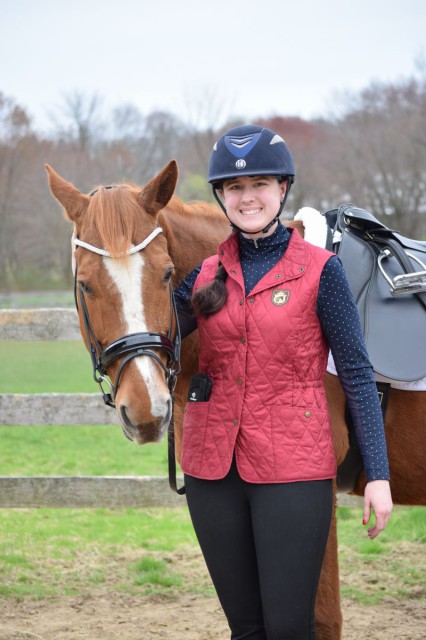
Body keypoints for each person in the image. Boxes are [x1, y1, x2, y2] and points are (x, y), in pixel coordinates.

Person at [174, 124, 393, 640]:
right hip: (212, 472)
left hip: (294, 471)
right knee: (245, 630)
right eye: (234, 188)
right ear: (221, 197)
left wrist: (377, 474)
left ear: (282, 190)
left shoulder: (321, 271)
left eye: (260, 185)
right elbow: (151, 335)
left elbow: (358, 374)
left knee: (289, 628)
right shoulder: (202, 276)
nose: (247, 197)